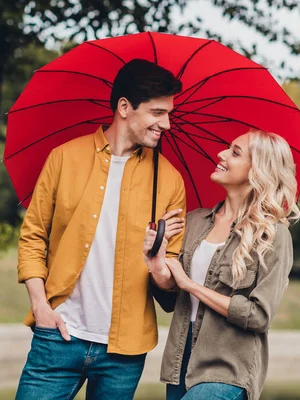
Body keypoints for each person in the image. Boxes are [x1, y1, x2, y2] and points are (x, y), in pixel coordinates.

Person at [15, 59, 187, 400]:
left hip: (124, 352)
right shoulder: (63, 158)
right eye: (157, 113)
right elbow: (33, 236)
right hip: (58, 335)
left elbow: (169, 288)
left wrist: (159, 266)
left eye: (168, 114)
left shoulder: (168, 181)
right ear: (124, 107)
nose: (166, 124)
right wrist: (42, 308)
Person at [144, 130, 300, 400]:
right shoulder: (193, 221)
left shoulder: (273, 235)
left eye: (235, 152)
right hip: (180, 362)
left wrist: (191, 285)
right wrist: (156, 262)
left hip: (227, 368)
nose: (221, 154)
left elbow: (258, 316)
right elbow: (171, 300)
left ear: (257, 170)